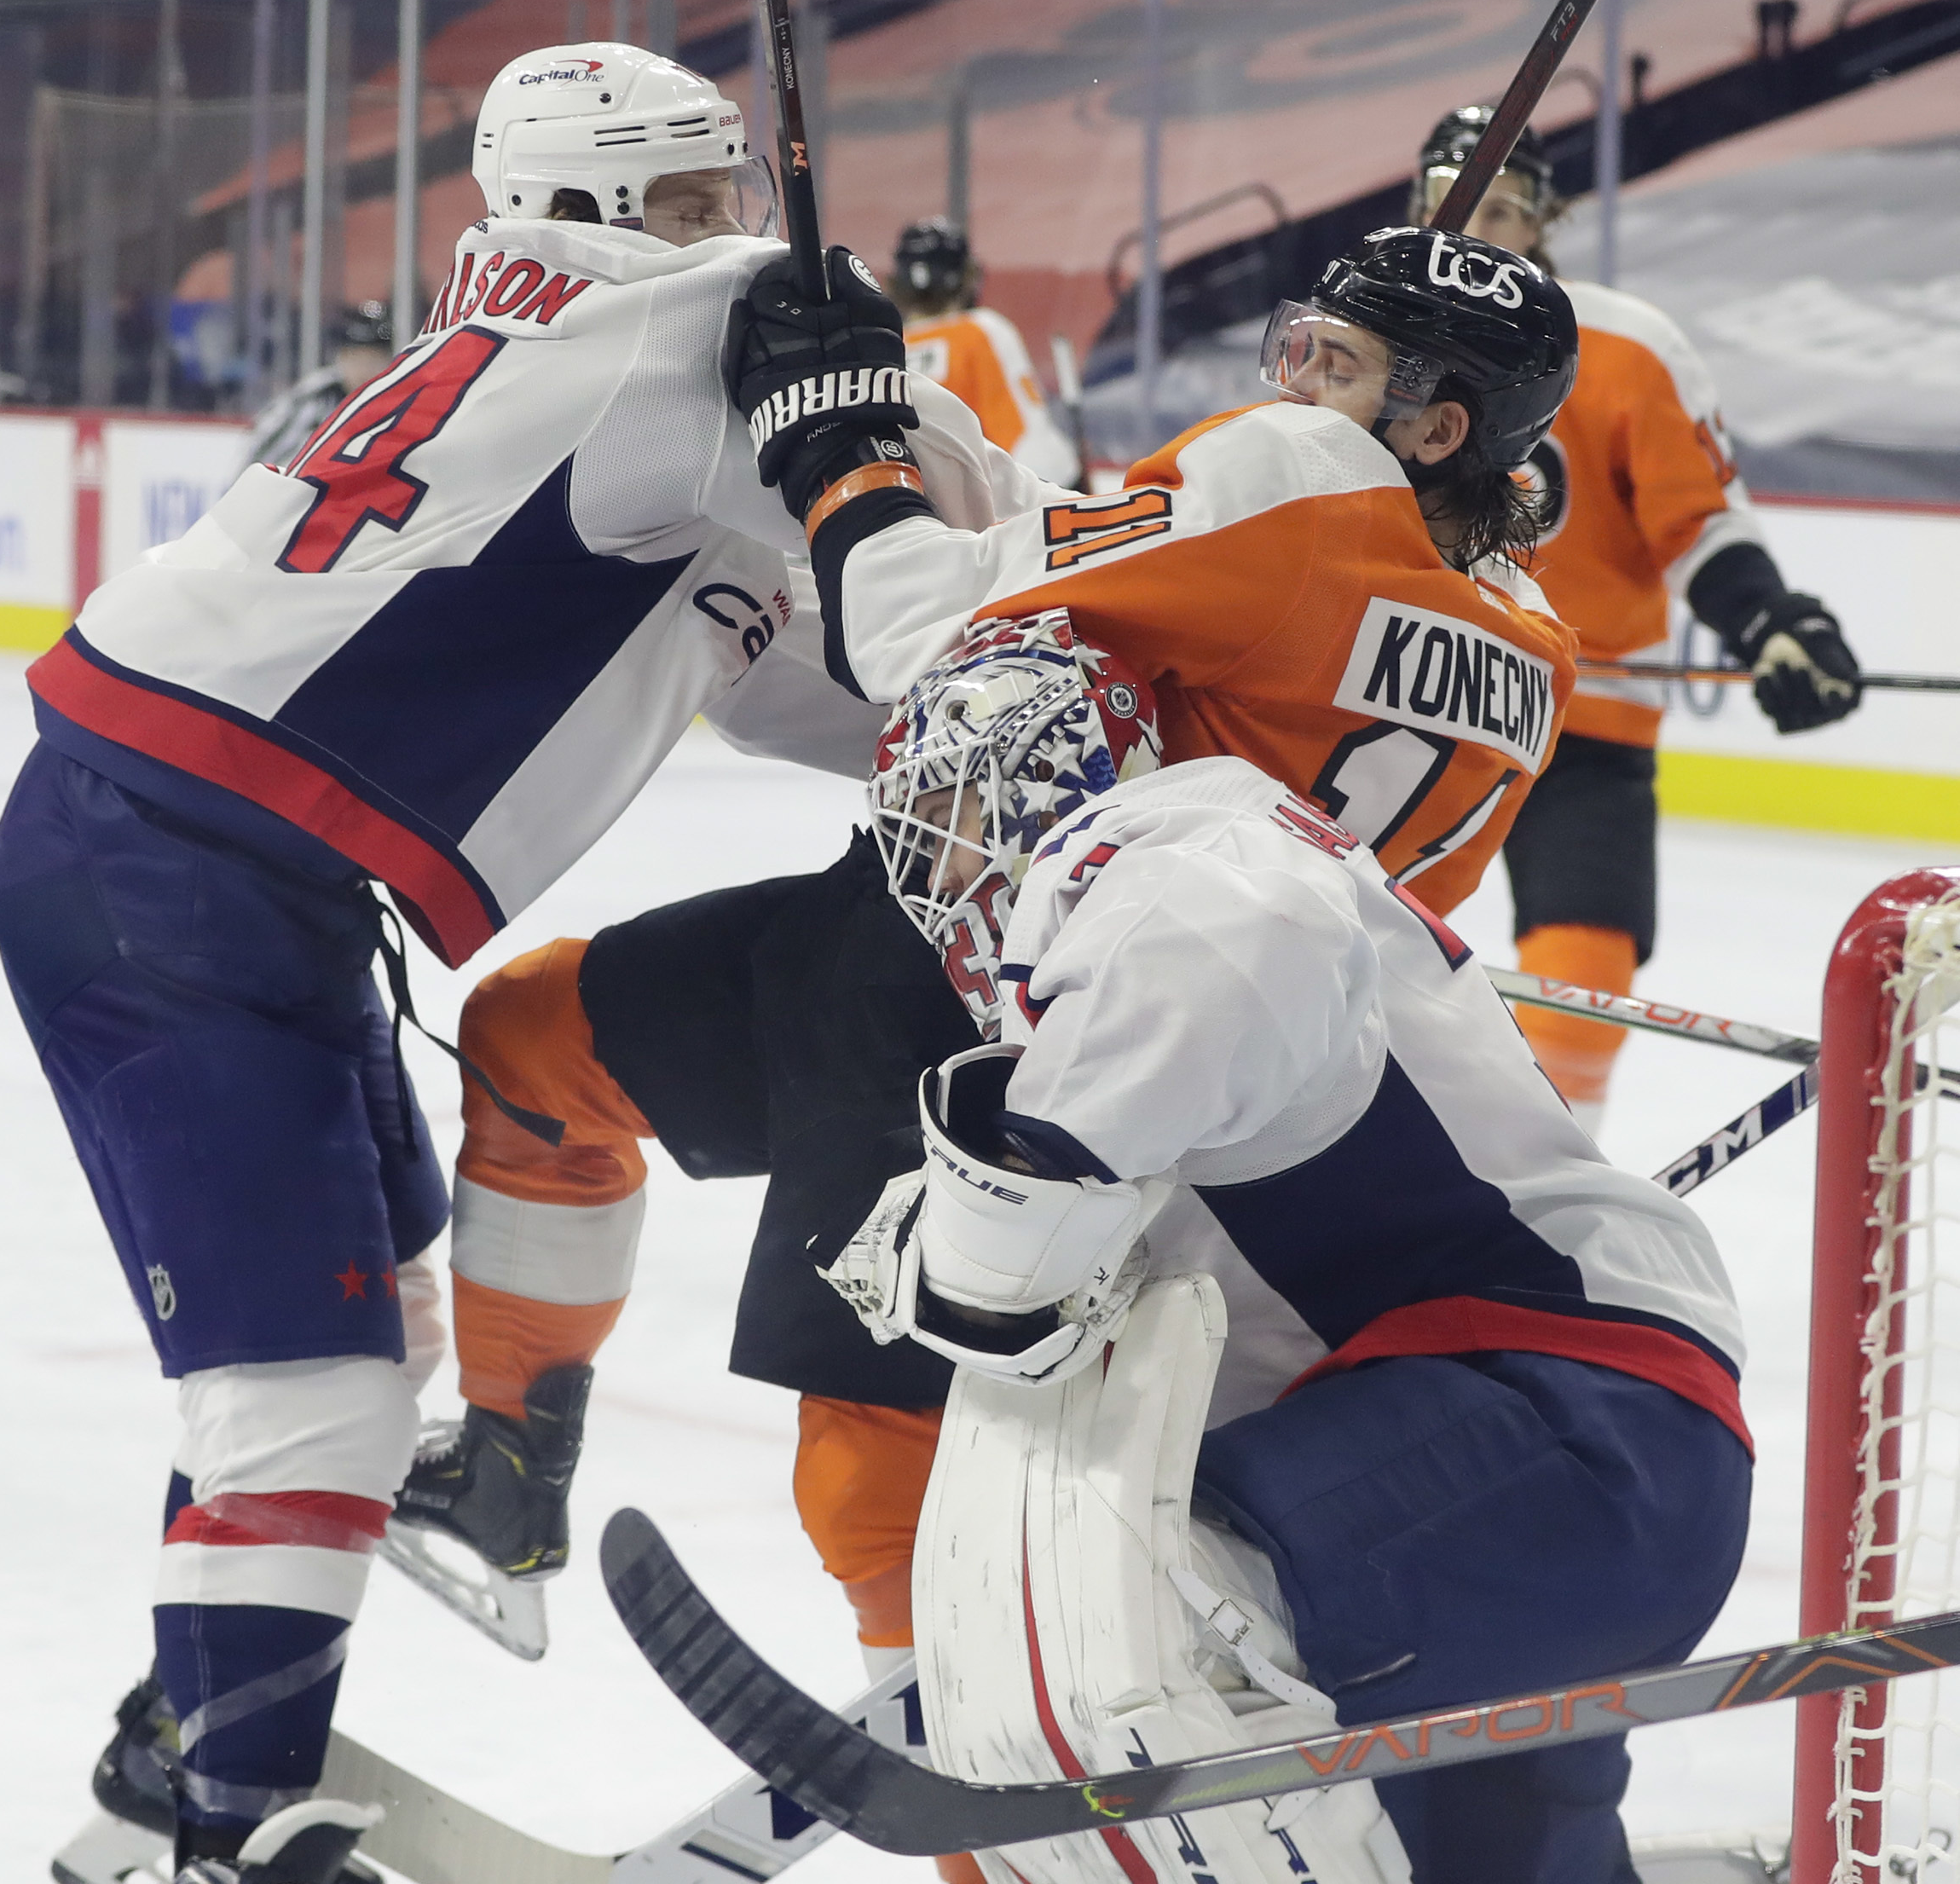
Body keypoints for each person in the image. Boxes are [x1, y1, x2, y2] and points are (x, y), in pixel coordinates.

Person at [0, 38, 1015, 1884]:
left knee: (353, 1361)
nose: (740, 234)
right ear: (589, 211)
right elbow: (968, 522)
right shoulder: (671, 339)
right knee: (305, 1408)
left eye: (739, 199)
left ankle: (177, 1767)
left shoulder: (571, 361)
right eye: (700, 204)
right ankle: (235, 1834)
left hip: (206, 861)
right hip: (169, 877)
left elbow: (829, 680)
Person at [411, 227, 1586, 1795]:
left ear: (1439, 426)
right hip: (1163, 1033)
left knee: (880, 1433)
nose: (1295, 378)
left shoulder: (1299, 475)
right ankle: (503, 1465)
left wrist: (837, 441)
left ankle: (959, 1752)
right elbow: (1086, 603)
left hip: (1000, 1006)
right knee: (535, 1042)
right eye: (1296, 344)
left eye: (1338, 363)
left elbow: (922, 634)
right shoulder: (1532, 640)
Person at [824, 609, 1750, 1884]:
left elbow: (1018, 1252)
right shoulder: (1195, 890)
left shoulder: (1175, 861)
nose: (938, 877)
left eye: (951, 822)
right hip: (1530, 1488)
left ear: (1041, 780)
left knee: (1141, 1616)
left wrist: (1002, 1194)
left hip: (1559, 1428)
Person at [1411, 107, 1863, 1133]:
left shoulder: (1626, 345)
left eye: (1503, 205)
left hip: (1584, 722)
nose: (1474, 226)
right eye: (1450, 200)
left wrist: (1772, 624)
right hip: (1408, 699)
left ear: (1546, 217)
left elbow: (1696, 521)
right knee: (1322, 948)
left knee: (1583, 978)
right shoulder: (1375, 339)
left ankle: (1547, 1190)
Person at [892, 217, 1081, 488]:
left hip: (913, 510)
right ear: (966, 277)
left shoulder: (886, 346)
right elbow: (1033, 449)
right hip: (988, 511)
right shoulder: (980, 331)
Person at [244, 303, 398, 471]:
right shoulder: (313, 400)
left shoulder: (401, 403)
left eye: (374, 361)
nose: (365, 370)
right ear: (341, 358)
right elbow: (262, 457)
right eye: (356, 359)